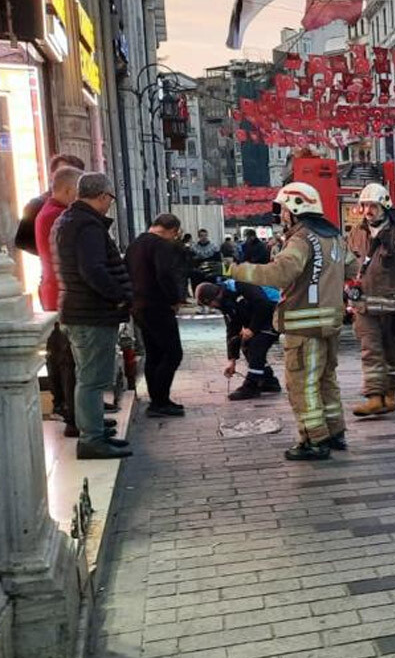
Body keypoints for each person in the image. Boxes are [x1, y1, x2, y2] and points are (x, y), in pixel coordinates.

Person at [230, 182, 356, 460]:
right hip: (330, 321)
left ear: (296, 208)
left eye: (284, 208)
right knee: (326, 379)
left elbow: (279, 274)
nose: (282, 214)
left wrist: (235, 269)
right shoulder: (333, 237)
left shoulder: (301, 239)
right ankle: (335, 432)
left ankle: (314, 440)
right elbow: (352, 267)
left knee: (302, 383)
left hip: (304, 325)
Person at [53, 173, 133, 459]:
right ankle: (92, 439)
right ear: (102, 196)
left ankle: (94, 429)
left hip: (82, 311)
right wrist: (120, 295)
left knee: (89, 376)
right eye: (111, 198)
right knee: (92, 379)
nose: (110, 204)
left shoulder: (71, 220)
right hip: (90, 314)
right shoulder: (86, 225)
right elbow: (93, 271)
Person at [346, 183, 395, 418]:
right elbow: (348, 266)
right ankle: (374, 397)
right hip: (364, 308)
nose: (368, 210)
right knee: (371, 352)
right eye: (365, 205)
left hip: (394, 308)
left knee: (394, 353)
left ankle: (390, 396)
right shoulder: (356, 233)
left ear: (384, 206)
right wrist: (347, 293)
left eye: (373, 205)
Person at [34, 165, 83, 436]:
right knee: (69, 360)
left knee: (69, 357)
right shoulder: (57, 215)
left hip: (57, 293)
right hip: (61, 296)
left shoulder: (51, 212)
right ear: (66, 190)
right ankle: (75, 417)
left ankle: (79, 413)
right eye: (78, 191)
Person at [125, 214, 187, 418]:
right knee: (172, 353)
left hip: (139, 305)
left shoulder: (135, 245)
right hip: (158, 305)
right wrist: (174, 299)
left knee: (154, 353)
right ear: (172, 230)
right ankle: (160, 401)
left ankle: (158, 400)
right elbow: (165, 275)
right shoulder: (161, 246)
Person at [195, 281, 281, 400]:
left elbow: (263, 304)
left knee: (257, 345)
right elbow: (232, 330)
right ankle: (268, 381)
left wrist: (252, 329)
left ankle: (251, 386)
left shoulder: (240, 287)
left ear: (216, 295)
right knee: (246, 343)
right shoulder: (224, 303)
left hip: (275, 310)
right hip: (259, 315)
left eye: (210, 304)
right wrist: (232, 360)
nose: (212, 307)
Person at [13, 153, 85, 257]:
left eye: (71, 174)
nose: (66, 178)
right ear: (52, 175)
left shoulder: (83, 203)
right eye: (62, 173)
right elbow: (22, 241)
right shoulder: (37, 205)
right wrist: (51, 254)